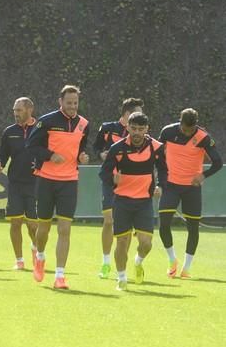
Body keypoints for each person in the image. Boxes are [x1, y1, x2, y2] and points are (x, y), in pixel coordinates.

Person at [26, 85, 90, 289]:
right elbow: (31, 146)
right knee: (43, 228)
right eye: (69, 102)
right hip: (46, 180)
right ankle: (40, 256)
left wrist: (82, 157)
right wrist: (50, 155)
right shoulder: (47, 121)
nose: (72, 106)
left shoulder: (84, 124)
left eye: (75, 103)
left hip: (69, 182)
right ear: (60, 101)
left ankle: (60, 276)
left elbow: (81, 148)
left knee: (65, 229)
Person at [99, 112, 167, 290]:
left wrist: (160, 185)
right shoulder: (117, 148)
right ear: (127, 127)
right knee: (122, 242)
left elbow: (164, 170)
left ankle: (138, 262)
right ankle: (121, 278)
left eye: (141, 129)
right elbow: (103, 173)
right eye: (133, 128)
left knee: (146, 243)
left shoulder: (156, 147)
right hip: (122, 201)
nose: (137, 132)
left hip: (144, 201)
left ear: (147, 129)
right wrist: (113, 177)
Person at [158, 108, 223, 278]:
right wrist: (159, 180)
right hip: (171, 185)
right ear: (180, 123)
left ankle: (186, 268)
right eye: (185, 129)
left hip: (192, 188)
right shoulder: (167, 132)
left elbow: (217, 162)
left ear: (196, 125)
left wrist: (203, 175)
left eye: (191, 129)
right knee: (163, 224)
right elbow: (157, 155)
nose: (188, 132)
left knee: (193, 228)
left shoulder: (203, 137)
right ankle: (172, 260)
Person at [93, 98, 144, 278]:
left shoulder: (140, 132)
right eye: (136, 113)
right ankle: (106, 262)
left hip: (132, 183)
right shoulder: (107, 128)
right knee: (108, 221)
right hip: (110, 181)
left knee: (127, 227)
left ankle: (123, 265)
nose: (140, 118)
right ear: (125, 114)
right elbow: (96, 147)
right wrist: (101, 154)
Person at [0, 97, 38, 270]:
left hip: (36, 183)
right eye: (14, 110)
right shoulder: (9, 131)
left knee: (33, 224)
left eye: (19, 110)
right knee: (15, 222)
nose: (15, 113)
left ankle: (36, 249)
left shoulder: (41, 129)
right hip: (15, 183)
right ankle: (19, 260)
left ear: (29, 110)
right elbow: (2, 155)